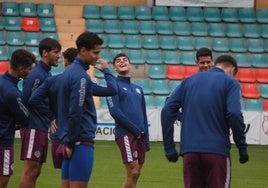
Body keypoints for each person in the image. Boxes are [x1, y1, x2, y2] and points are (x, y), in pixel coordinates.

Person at [161, 55, 249, 188]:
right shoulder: (230, 82)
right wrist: (242, 147)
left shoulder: (188, 81)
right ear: (232, 69)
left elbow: (167, 110)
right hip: (217, 150)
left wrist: (169, 147)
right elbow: (234, 113)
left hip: (190, 151)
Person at [28, 46, 117, 172]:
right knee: (76, 177)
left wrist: (51, 117)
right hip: (78, 137)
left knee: (64, 175)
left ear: (65, 61)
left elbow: (33, 100)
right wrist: (106, 71)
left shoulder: (52, 81)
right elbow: (112, 89)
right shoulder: (84, 81)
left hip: (58, 134)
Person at [56, 31, 117, 188]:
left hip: (68, 140)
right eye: (95, 52)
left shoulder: (68, 73)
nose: (98, 57)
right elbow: (76, 111)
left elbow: (111, 89)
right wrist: (70, 143)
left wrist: (67, 141)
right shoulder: (81, 77)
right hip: (79, 142)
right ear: (83, 50)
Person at [19, 37, 62, 188]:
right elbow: (26, 100)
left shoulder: (47, 74)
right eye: (56, 52)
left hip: (41, 127)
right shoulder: (37, 74)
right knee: (30, 170)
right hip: (33, 126)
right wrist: (50, 116)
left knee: (36, 171)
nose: (59, 56)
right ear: (45, 53)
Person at [106, 53, 150, 188]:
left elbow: (143, 115)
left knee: (136, 173)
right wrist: (135, 130)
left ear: (129, 64)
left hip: (140, 135)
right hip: (125, 133)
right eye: (118, 61)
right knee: (133, 170)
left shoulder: (138, 89)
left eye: (125, 60)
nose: (122, 61)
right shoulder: (113, 85)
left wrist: (146, 140)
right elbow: (114, 111)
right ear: (114, 67)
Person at [0, 49, 36, 188]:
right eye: (28, 68)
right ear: (21, 69)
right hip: (3, 143)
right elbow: (26, 119)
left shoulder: (2, 81)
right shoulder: (12, 93)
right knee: (3, 181)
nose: (30, 72)